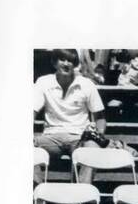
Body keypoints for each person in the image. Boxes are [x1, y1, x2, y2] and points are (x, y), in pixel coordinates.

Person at [33, 49, 107, 179]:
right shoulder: (43, 82)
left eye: (71, 61)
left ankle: (82, 195)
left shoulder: (87, 84)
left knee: (92, 148)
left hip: (79, 136)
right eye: (62, 60)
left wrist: (98, 134)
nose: (66, 64)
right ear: (54, 63)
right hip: (51, 136)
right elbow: (31, 112)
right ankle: (37, 194)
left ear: (75, 64)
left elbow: (100, 118)